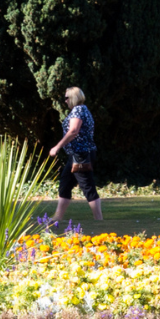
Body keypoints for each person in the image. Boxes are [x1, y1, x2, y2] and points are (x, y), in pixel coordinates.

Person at [48, 86, 102, 222]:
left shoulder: (78, 110)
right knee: (65, 184)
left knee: (87, 186)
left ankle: (99, 220)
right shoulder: (83, 110)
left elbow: (73, 131)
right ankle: (57, 217)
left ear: (74, 97)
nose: (65, 101)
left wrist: (57, 147)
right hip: (76, 154)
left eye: (67, 98)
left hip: (80, 155)